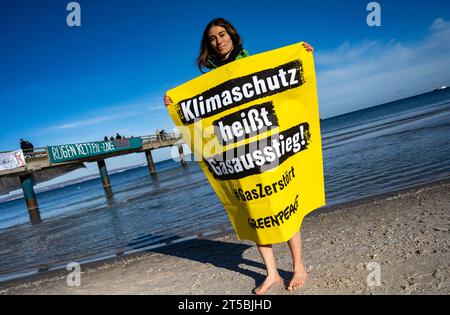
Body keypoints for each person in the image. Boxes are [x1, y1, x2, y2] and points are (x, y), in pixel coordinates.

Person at [164, 17, 313, 295]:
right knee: (253, 210)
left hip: (267, 145)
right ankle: (271, 274)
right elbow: (203, 116)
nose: (218, 41)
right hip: (237, 154)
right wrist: (176, 105)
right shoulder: (208, 80)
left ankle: (298, 266)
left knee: (283, 203)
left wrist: (301, 55)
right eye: (212, 38)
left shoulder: (250, 64)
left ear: (232, 37)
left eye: (222, 34)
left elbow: (279, 90)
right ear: (208, 45)